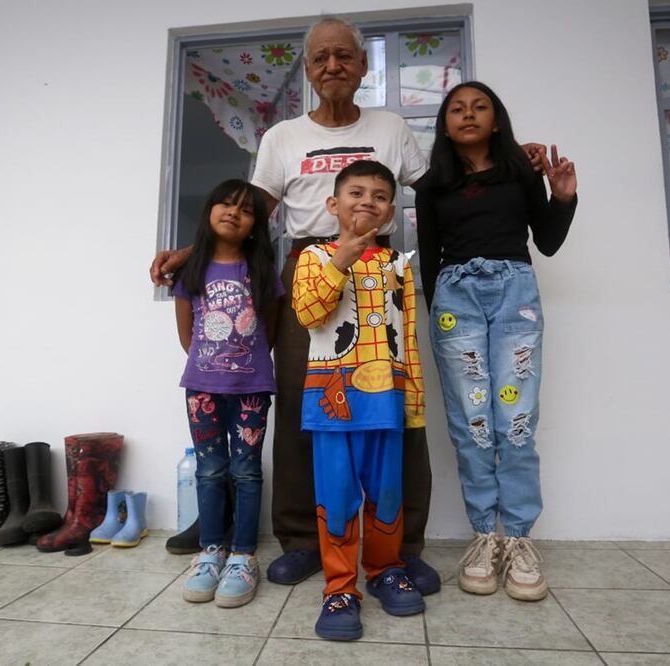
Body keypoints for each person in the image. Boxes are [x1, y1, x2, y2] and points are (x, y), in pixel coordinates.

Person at [150, 16, 545, 591]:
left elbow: (441, 185)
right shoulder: (282, 136)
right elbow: (252, 207)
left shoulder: (389, 126)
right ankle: (304, 539)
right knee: (297, 405)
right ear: (308, 71)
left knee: (398, 404)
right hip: (307, 266)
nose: (332, 65)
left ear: (362, 66)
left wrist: (514, 156)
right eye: (319, 58)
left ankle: (402, 544)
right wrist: (197, 249)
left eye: (343, 55)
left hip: (378, 272)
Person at [416, 81, 578, 602]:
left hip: (516, 296)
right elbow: (428, 258)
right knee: (473, 423)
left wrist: (564, 195)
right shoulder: (430, 187)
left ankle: (520, 541)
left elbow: (547, 242)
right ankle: (485, 537)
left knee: (517, 421)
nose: (468, 115)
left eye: (479, 107)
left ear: (497, 119)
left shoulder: (520, 173)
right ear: (444, 124)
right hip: (454, 301)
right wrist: (436, 317)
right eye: (457, 109)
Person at [293, 160, 425, 641]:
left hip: (385, 400)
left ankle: (386, 569)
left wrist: (413, 396)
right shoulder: (312, 257)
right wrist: (341, 259)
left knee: (388, 493)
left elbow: (406, 336)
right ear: (333, 204)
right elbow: (308, 313)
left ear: (390, 212)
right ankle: (339, 587)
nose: (367, 201)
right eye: (356, 192)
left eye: (379, 195)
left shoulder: (397, 265)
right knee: (337, 497)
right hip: (330, 402)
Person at [173, 179, 283, 609]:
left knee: (247, 471)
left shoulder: (261, 272)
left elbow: (269, 332)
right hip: (202, 388)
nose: (233, 212)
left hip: (253, 388)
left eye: (246, 209)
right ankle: (211, 550)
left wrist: (245, 366)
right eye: (225, 203)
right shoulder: (191, 271)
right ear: (209, 212)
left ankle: (242, 556)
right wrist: (211, 368)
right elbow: (187, 335)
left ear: (256, 226)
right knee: (210, 470)